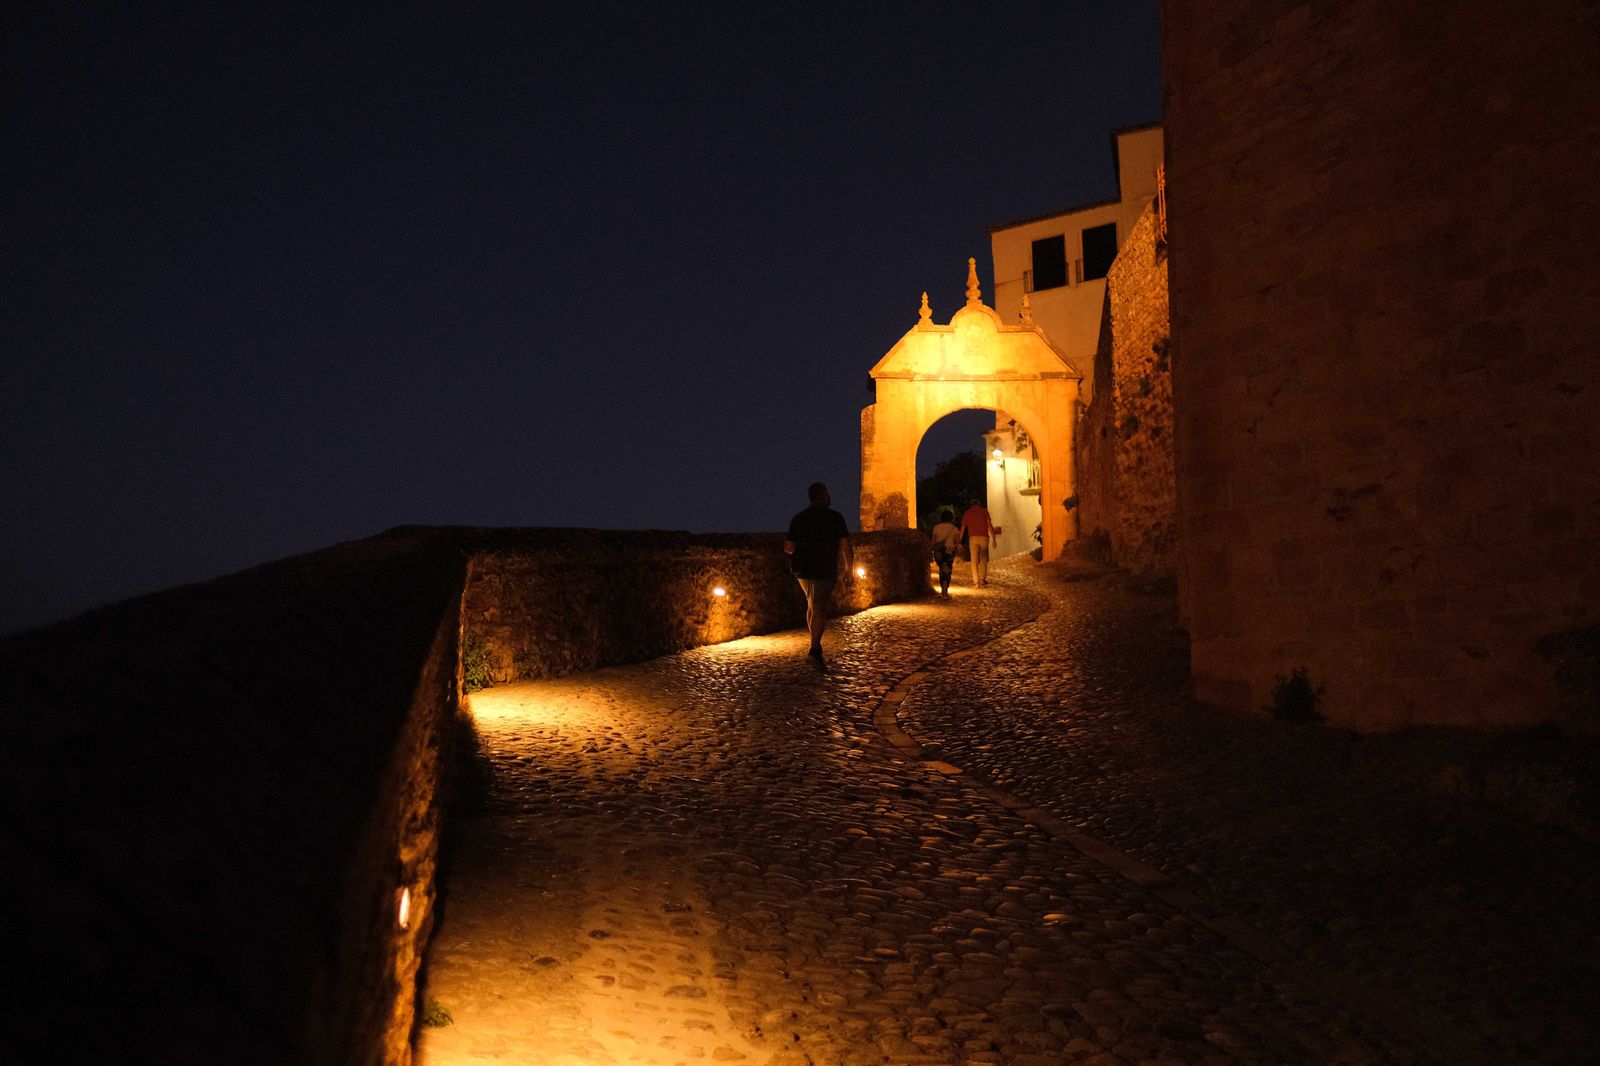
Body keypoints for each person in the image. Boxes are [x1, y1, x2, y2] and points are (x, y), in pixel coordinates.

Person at [784, 481, 854, 666]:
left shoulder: (798, 518)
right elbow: (846, 546)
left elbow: (789, 548)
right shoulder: (835, 518)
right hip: (824, 568)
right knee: (819, 606)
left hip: (804, 571)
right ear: (824, 495)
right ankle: (814, 649)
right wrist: (849, 570)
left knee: (812, 604)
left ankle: (815, 645)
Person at [959, 498, 1001, 588]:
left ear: (971, 505)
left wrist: (959, 541)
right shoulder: (984, 511)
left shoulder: (967, 513)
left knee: (974, 560)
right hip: (984, 538)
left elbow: (963, 528)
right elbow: (989, 525)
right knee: (983, 559)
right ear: (979, 504)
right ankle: (982, 579)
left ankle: (976, 581)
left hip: (973, 538)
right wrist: (994, 539)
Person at [929, 508, 960, 596]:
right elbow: (958, 541)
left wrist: (932, 550)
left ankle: (943, 585)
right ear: (951, 518)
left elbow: (933, 541)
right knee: (948, 568)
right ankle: (945, 586)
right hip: (949, 550)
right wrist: (955, 547)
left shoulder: (936, 527)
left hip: (939, 550)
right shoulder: (954, 528)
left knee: (942, 568)